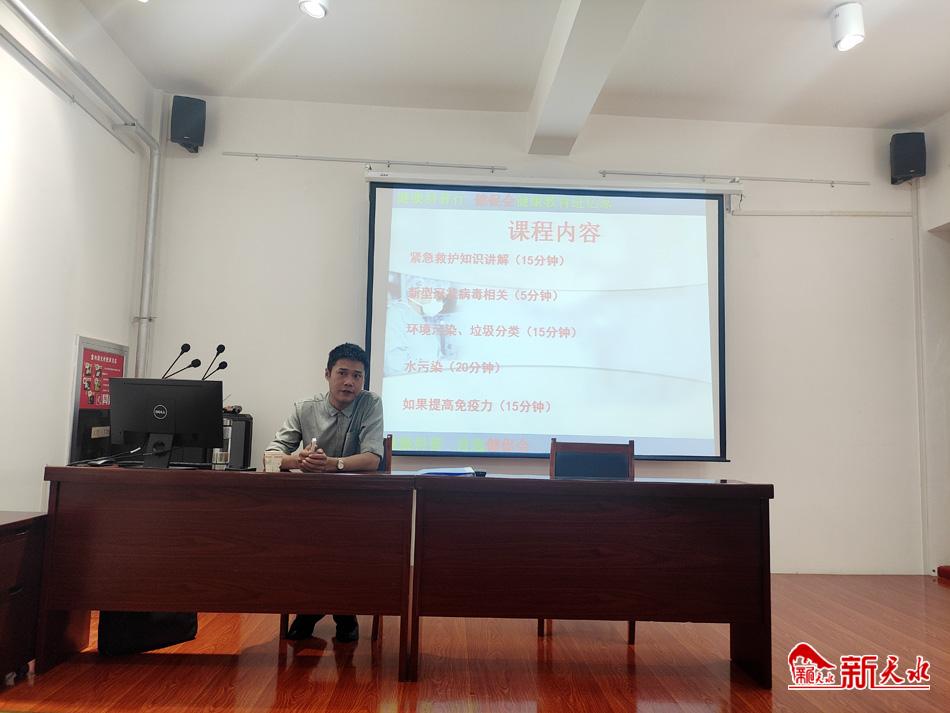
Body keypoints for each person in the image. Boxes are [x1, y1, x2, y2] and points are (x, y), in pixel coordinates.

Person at [264, 342, 384, 642]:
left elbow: (372, 459)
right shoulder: (304, 408)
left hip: (357, 502)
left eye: (357, 376)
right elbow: (269, 457)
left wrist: (332, 464)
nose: (349, 382)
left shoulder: (370, 404)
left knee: (350, 541)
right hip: (311, 503)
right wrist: (298, 460)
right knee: (306, 542)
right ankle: (310, 607)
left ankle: (344, 611)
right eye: (342, 373)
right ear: (327, 374)